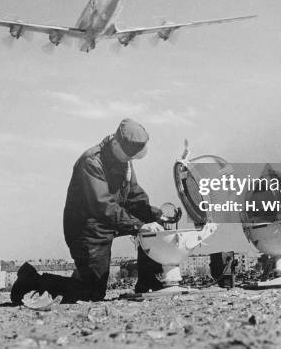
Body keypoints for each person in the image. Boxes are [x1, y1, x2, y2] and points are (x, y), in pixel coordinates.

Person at [11, 119, 171, 304]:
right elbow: (102, 205)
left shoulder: (124, 158)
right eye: (128, 155)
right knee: (92, 292)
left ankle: (148, 281)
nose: (130, 159)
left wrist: (156, 215)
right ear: (115, 142)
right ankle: (32, 280)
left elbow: (133, 195)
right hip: (88, 230)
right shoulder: (91, 161)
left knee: (153, 225)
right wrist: (139, 226)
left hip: (109, 221)